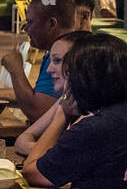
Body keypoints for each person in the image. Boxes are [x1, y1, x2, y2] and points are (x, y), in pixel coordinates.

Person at [22, 33, 127, 189]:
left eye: (71, 72)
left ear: (86, 77)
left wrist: (62, 114)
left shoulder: (97, 127)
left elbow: (33, 173)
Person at [12, 30, 91, 160]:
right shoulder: (66, 98)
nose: (49, 69)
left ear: (81, 63)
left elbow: (32, 169)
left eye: (57, 61)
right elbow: (21, 141)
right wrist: (46, 151)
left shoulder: (94, 114)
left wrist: (42, 151)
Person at [2, 0, 77, 122]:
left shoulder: (63, 56)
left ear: (52, 24)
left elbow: (38, 113)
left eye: (30, 22)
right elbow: (43, 96)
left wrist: (16, 69)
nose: (26, 29)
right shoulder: (58, 51)